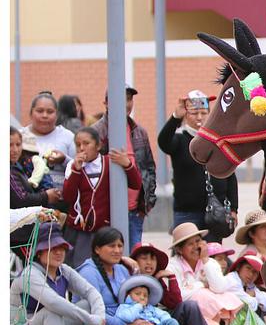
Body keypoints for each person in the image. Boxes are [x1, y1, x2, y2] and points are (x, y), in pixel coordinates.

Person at [76, 227, 203, 325]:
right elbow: (90, 313)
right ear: (97, 249)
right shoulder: (88, 272)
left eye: (120, 246)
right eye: (111, 246)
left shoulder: (121, 270)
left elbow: (139, 294)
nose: (117, 250)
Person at [10, 222, 127, 325]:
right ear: (39, 252)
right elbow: (54, 302)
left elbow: (92, 293)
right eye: (53, 248)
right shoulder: (30, 274)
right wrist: (90, 319)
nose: (59, 252)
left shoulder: (64, 270)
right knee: (52, 310)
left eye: (62, 248)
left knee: (86, 303)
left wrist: (98, 318)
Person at [158, 92, 239, 240]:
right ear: (187, 115)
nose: (199, 117)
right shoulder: (179, 139)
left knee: (214, 255)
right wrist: (176, 116)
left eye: (203, 112)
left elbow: (230, 175)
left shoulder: (218, 141)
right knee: (186, 252)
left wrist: (233, 208)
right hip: (187, 211)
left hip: (217, 211)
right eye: (194, 113)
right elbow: (163, 142)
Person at [62, 127, 141, 268]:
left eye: (86, 143)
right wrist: (76, 170)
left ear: (98, 145)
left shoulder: (110, 164)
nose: (81, 148)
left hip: (103, 229)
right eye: (78, 144)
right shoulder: (72, 166)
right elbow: (68, 197)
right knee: (79, 269)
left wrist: (127, 164)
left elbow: (136, 184)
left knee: (104, 268)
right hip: (80, 231)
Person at [167, 222, 242, 325]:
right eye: (190, 244)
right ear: (179, 249)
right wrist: (200, 286)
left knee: (214, 315)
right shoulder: (172, 266)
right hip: (180, 315)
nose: (196, 247)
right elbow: (180, 296)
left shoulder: (209, 263)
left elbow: (220, 287)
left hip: (205, 316)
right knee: (198, 299)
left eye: (198, 241)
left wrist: (206, 260)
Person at [92, 83, 157, 245]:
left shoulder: (139, 132)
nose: (126, 104)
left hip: (135, 211)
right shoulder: (96, 132)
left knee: (135, 258)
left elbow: (149, 168)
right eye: (120, 99)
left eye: (129, 99)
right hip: (107, 212)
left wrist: (148, 202)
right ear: (106, 103)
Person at [130, 241, 216, 325]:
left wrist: (171, 278)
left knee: (189, 306)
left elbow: (174, 303)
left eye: (153, 259)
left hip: (163, 323)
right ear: (135, 261)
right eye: (144, 258)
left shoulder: (157, 280)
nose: (149, 262)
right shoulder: (129, 280)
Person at [22, 91, 76, 189]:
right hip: (27, 197)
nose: (45, 115)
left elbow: (80, 168)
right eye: (40, 111)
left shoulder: (67, 137)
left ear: (57, 114)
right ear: (31, 113)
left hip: (60, 199)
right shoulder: (20, 136)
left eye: (50, 112)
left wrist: (64, 160)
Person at [224, 252, 266, 325]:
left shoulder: (250, 286)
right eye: (248, 268)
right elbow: (251, 305)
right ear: (239, 267)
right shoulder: (232, 280)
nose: (251, 274)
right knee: (251, 306)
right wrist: (254, 298)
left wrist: (254, 294)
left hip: (235, 322)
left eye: (255, 272)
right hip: (226, 323)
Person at [10, 128, 61, 211]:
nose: (15, 150)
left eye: (18, 144)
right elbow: (21, 199)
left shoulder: (20, 165)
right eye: (9, 145)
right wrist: (46, 196)